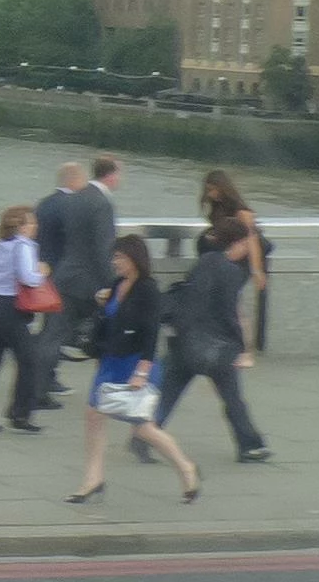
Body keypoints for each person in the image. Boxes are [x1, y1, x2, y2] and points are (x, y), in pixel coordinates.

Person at [69, 234, 200, 504]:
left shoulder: (148, 290)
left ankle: (186, 468)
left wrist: (142, 371)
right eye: (114, 257)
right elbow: (111, 320)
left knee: (142, 427)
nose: (115, 262)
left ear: (134, 259)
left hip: (135, 363)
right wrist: (102, 304)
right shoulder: (117, 284)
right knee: (93, 416)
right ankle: (93, 479)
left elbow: (152, 333)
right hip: (110, 361)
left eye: (119, 257)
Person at [154, 221, 267, 463]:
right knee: (232, 397)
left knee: (169, 392)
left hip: (184, 341)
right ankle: (249, 445)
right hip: (213, 348)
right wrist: (241, 348)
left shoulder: (205, 261)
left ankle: (146, 435)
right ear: (236, 243)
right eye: (246, 244)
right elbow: (229, 313)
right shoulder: (231, 272)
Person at [33, 161, 110, 399]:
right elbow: (98, 248)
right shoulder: (84, 204)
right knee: (62, 336)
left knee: (51, 333)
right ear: (77, 179)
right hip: (76, 280)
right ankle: (42, 385)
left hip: (51, 275)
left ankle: (39, 384)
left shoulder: (45, 204)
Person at [0, 206, 50, 434]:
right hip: (11, 308)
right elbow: (28, 278)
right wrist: (42, 271)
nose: (35, 227)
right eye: (32, 223)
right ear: (21, 227)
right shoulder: (22, 246)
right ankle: (20, 413)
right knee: (29, 360)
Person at [199, 171, 270, 367]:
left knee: (234, 304)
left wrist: (257, 271)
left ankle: (246, 351)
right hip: (227, 260)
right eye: (208, 190)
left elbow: (252, 241)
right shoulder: (218, 208)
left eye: (212, 189)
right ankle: (234, 347)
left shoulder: (241, 211)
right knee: (229, 302)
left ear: (222, 188)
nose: (210, 194)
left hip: (240, 263)